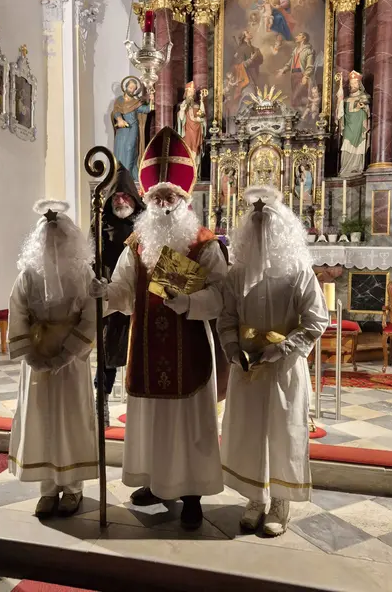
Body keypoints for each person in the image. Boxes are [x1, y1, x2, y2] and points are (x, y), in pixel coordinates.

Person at [90, 127, 227, 530]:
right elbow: (122, 290)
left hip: (191, 345)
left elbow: (223, 295)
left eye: (171, 197)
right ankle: (155, 482)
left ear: (185, 200)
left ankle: (192, 494)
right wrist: (102, 293)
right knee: (152, 420)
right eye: (157, 198)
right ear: (147, 201)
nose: (164, 204)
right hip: (147, 345)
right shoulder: (137, 244)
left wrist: (189, 303)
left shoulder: (204, 244)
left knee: (188, 424)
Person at [218, 185, 328, 536]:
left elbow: (316, 320)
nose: (261, 232)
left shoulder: (297, 270)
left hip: (283, 367)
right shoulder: (237, 273)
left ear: (283, 229)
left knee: (283, 433)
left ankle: (280, 501)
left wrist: (281, 349)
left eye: (267, 225)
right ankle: (255, 498)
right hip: (247, 367)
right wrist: (232, 348)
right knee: (249, 432)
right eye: (255, 226)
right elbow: (227, 316)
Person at [8, 200, 98, 519]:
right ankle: (47, 489)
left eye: (59, 237)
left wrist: (68, 353)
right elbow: (17, 311)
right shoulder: (28, 275)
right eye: (47, 238)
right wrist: (30, 356)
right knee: (42, 420)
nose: (53, 243)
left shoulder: (83, 274)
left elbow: (91, 316)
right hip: (37, 356)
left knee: (70, 419)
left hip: (71, 362)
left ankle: (73, 488)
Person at [92, 164, 145, 426]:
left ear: (134, 198)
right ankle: (101, 401)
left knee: (142, 350)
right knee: (108, 349)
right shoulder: (102, 224)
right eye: (116, 196)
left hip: (140, 294)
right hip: (110, 295)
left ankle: (141, 405)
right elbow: (90, 256)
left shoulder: (145, 225)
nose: (121, 201)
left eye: (125, 196)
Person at [112, 77, 151, 180]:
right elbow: (116, 110)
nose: (131, 90)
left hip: (132, 127)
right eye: (130, 87)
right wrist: (120, 119)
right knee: (120, 148)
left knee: (130, 148)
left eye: (133, 88)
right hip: (122, 129)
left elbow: (146, 109)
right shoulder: (120, 100)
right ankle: (119, 174)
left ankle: (128, 175)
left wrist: (152, 99)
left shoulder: (136, 102)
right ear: (126, 87)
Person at [336, 71, 370, 178]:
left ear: (359, 84)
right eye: (351, 83)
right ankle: (345, 168)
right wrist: (340, 101)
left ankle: (357, 167)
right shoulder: (346, 99)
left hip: (359, 126)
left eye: (355, 83)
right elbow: (342, 112)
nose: (353, 85)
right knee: (346, 144)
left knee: (359, 146)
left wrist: (363, 107)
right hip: (348, 126)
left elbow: (367, 111)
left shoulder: (364, 97)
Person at [277, 32, 315, 109]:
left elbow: (310, 66)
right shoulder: (295, 50)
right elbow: (290, 62)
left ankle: (305, 110)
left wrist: (306, 76)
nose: (296, 37)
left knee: (297, 96)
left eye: (299, 35)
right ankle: (299, 113)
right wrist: (283, 70)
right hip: (293, 75)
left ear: (304, 38)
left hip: (301, 75)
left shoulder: (308, 50)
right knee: (297, 97)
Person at [177, 82, 207, 167]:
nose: (191, 94)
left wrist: (200, 119)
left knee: (196, 151)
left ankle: (195, 169)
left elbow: (202, 116)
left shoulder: (197, 105)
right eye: (189, 92)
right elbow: (181, 118)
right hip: (187, 131)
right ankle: (188, 169)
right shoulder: (183, 105)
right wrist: (182, 110)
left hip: (197, 131)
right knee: (187, 150)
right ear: (186, 93)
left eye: (192, 92)